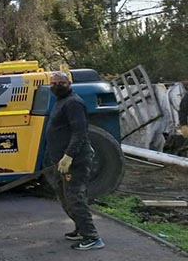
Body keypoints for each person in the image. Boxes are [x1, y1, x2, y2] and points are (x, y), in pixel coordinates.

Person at [46, 71, 105, 251]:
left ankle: (92, 237)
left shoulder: (73, 103)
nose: (56, 86)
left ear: (69, 83)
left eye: (61, 83)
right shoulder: (61, 101)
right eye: (53, 83)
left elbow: (80, 132)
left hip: (75, 160)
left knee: (74, 198)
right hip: (62, 159)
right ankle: (80, 228)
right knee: (64, 196)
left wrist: (69, 155)